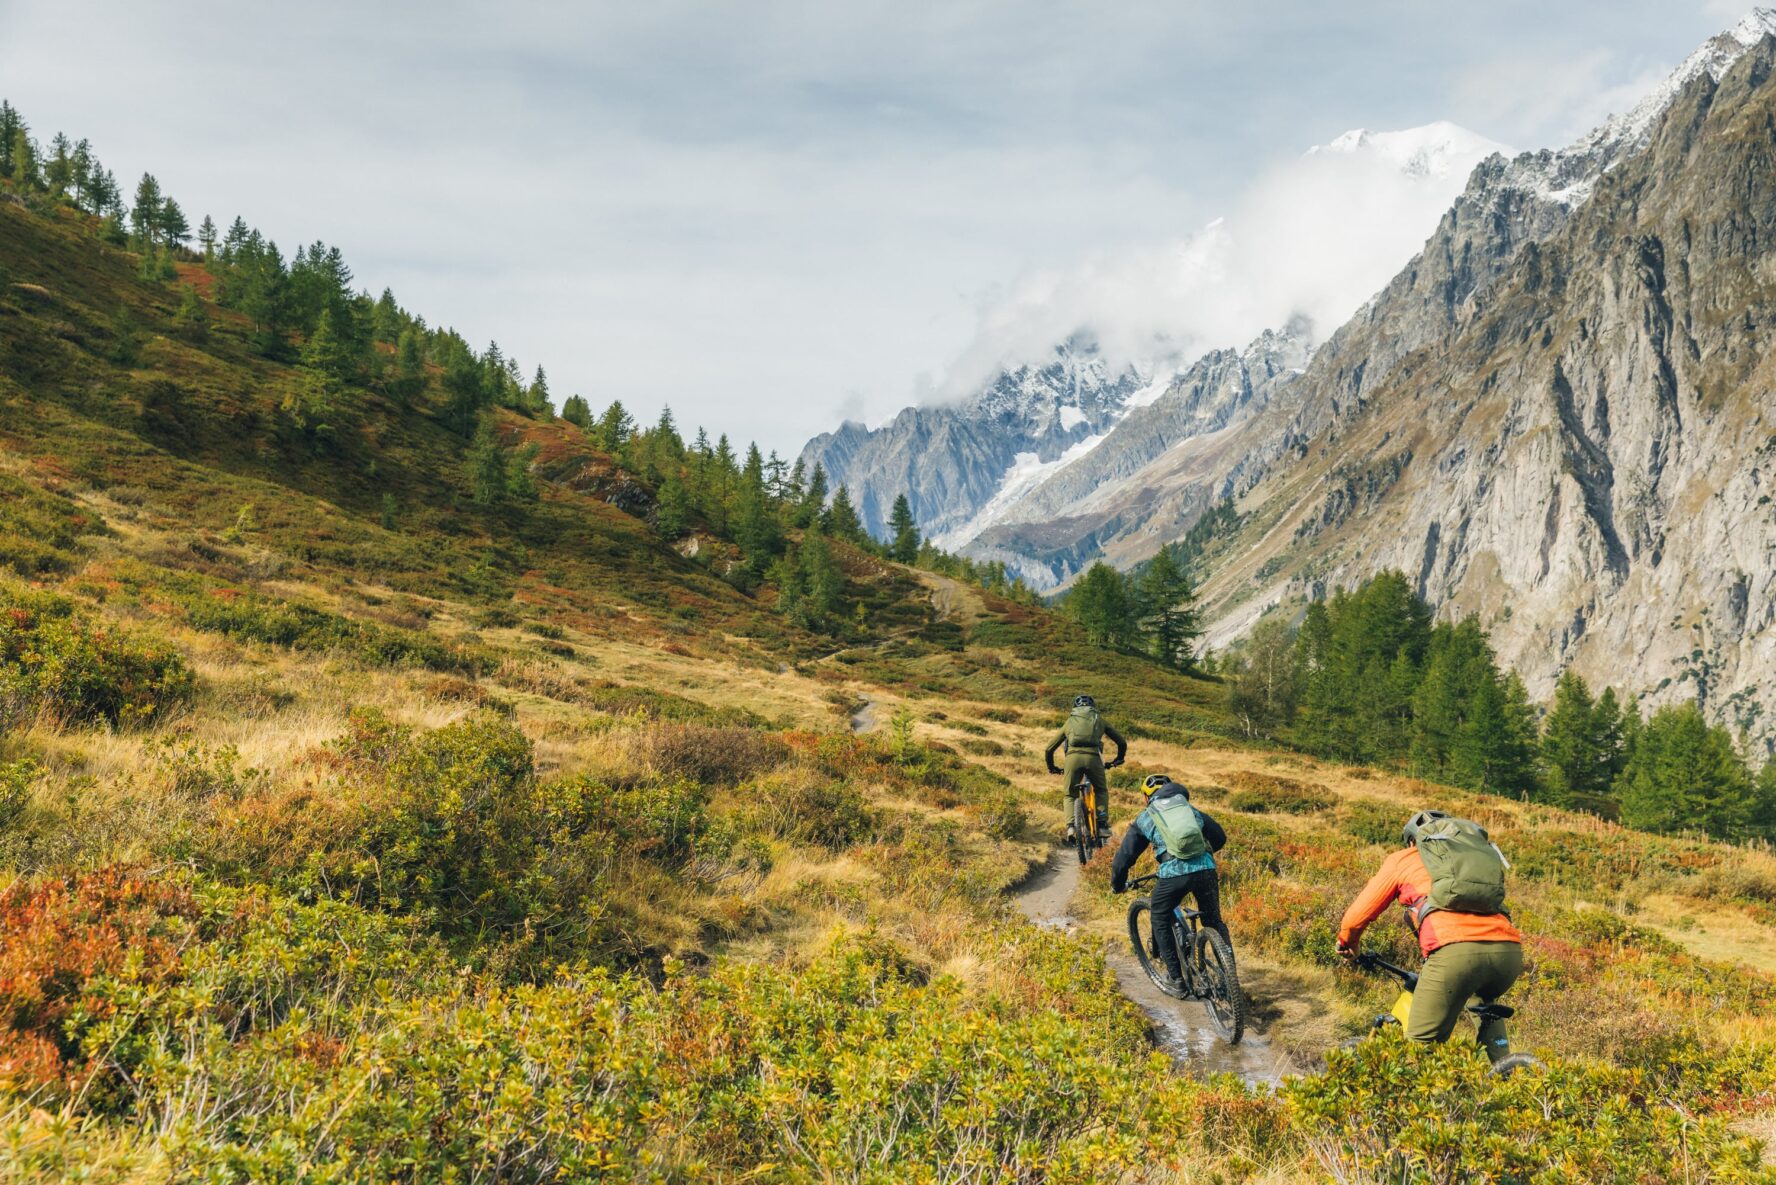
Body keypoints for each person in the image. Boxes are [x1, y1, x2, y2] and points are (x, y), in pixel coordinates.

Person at [1336, 809, 1524, 1059]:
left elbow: (1357, 916)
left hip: (1455, 955)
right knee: (1483, 1001)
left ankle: (1426, 1093)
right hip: (1508, 953)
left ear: (1414, 840)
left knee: (1420, 1051)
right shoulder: (1472, 861)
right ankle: (1506, 1071)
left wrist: (1348, 943)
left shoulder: (1405, 859)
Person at [1110, 774, 1229, 992]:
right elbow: (1220, 837)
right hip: (1207, 870)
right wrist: (1201, 857)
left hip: (1174, 873)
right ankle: (1229, 978)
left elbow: (1124, 858)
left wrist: (1117, 884)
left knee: (1158, 915)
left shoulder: (1146, 816)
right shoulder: (1189, 810)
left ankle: (1177, 980)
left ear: (1146, 798)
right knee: (1214, 921)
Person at [1044, 694, 1126, 840]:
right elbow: (1121, 742)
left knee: (1070, 794)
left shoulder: (1070, 721)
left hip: (1072, 759)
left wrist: (1052, 767)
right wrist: (1118, 759)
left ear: (1075, 708)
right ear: (1093, 707)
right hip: (1094, 759)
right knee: (1100, 790)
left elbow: (1049, 748)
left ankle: (1071, 828)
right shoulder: (1099, 720)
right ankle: (1101, 825)